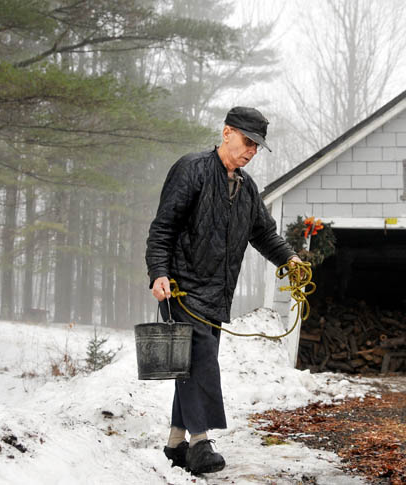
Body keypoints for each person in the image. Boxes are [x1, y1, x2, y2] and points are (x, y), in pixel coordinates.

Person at [145, 106, 300, 475]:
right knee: (200, 363)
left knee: (190, 365)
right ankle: (200, 444)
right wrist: (158, 273)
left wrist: (289, 260)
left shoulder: (246, 187)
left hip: (217, 293)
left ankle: (175, 443)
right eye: (248, 142)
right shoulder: (192, 169)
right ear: (227, 132)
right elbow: (163, 227)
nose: (252, 151)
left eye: (258, 146)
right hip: (182, 288)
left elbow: (262, 233)